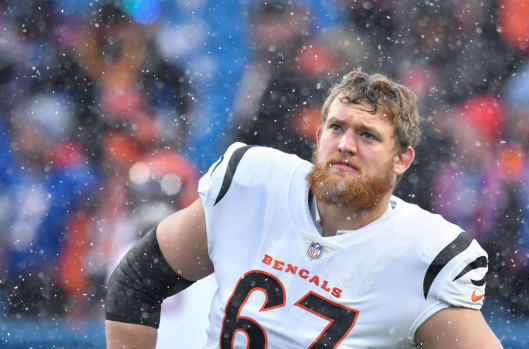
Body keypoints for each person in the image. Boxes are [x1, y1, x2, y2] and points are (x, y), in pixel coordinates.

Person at [105, 70, 503, 348]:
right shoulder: (253, 183)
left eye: (367, 135)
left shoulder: (421, 254)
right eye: (336, 127)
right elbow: (136, 283)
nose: (346, 144)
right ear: (318, 135)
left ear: (402, 159)